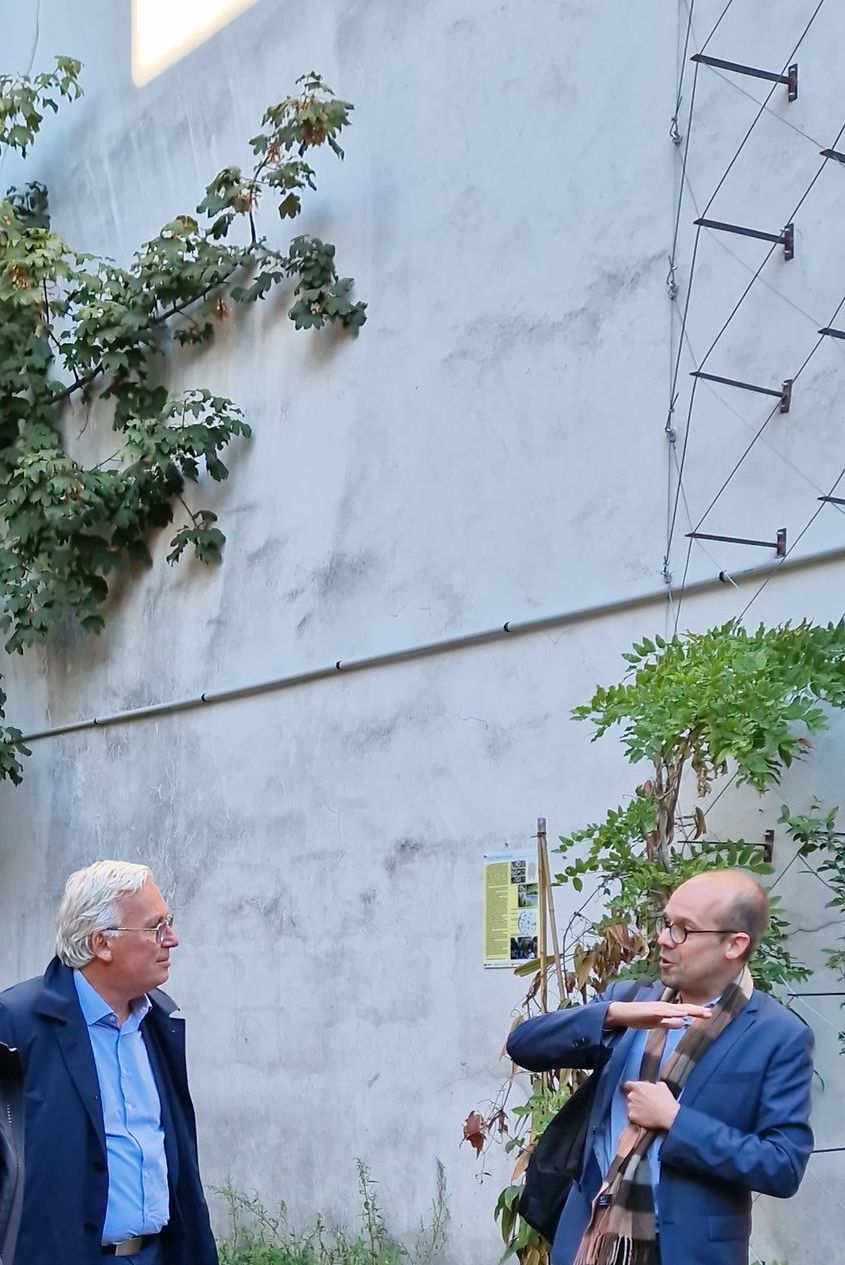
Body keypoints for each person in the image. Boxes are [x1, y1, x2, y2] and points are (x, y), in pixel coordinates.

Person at [507, 869, 815, 1265]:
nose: (664, 939)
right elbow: (524, 1045)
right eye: (666, 923)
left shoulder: (777, 1035)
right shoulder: (631, 1001)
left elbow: (783, 1166)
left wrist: (675, 1120)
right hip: (589, 1238)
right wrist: (613, 1014)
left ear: (734, 944)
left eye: (684, 929)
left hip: (688, 1251)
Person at [0, 860, 219, 1265]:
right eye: (155, 927)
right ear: (102, 943)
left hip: (156, 1254)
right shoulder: (16, 1025)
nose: (172, 940)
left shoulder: (158, 1024)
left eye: (168, 923)